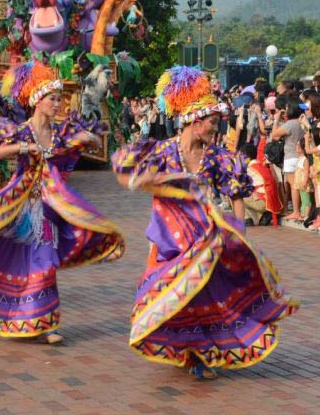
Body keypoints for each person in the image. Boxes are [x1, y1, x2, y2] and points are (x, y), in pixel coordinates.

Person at [112, 66, 297, 379]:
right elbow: (127, 171)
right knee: (170, 292)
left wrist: (240, 231)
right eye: (212, 123)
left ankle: (200, 354)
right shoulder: (163, 151)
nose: (216, 129)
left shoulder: (216, 156)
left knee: (203, 292)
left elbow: (236, 192)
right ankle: (182, 346)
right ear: (195, 122)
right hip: (167, 235)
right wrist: (148, 180)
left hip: (204, 234)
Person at [0, 61, 124, 345]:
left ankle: (43, 322)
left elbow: (85, 141)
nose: (58, 104)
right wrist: (21, 148)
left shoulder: (60, 132)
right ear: (37, 102)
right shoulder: (21, 131)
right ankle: (27, 318)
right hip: (21, 207)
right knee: (27, 261)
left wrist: (86, 138)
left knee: (44, 261)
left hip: (51, 210)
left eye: (60, 99)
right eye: (53, 99)